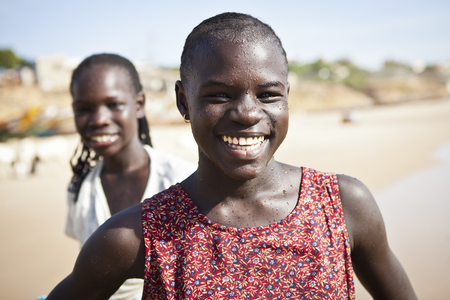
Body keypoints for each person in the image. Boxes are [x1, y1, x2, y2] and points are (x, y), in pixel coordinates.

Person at [47, 13, 417, 299]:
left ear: (288, 96)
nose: (247, 113)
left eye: (268, 95)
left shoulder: (343, 205)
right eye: (219, 95)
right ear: (183, 102)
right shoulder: (137, 236)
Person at [64, 53, 196, 300]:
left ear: (139, 104)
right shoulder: (80, 190)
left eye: (113, 105)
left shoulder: (184, 179)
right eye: (84, 109)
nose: (99, 120)